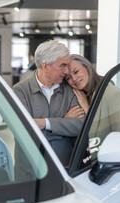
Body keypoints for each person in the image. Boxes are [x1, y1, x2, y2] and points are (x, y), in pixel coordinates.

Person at [13, 40, 85, 172]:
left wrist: (43, 123)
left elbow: (80, 126)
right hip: (30, 171)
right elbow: (24, 132)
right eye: (62, 65)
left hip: (64, 169)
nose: (66, 71)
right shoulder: (20, 91)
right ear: (45, 66)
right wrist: (63, 122)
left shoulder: (71, 90)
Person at [65, 54, 120, 157]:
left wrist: (86, 108)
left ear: (87, 68)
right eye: (68, 78)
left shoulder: (113, 94)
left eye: (76, 72)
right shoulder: (79, 97)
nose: (74, 79)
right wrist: (66, 119)